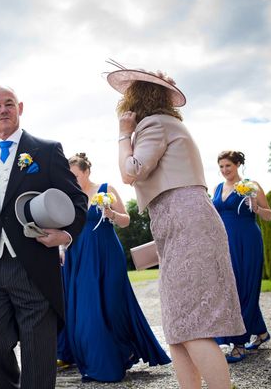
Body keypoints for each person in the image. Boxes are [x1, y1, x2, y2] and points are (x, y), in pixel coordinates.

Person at [107, 61, 245, 389]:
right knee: (178, 328)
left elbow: (131, 170)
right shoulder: (167, 124)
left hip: (185, 220)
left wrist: (124, 134)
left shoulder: (155, 124)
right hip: (178, 221)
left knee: (193, 326)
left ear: (137, 101)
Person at [0, 85, 87, 389]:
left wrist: (65, 235)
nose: (2, 110)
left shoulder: (46, 151)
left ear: (20, 108)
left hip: (34, 263)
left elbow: (77, 201)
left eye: (8, 104)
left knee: (37, 352)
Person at [57, 153, 171, 382]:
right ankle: (97, 363)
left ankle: (123, 349)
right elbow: (63, 227)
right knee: (86, 310)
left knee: (112, 305)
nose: (71, 179)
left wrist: (111, 213)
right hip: (79, 256)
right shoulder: (68, 196)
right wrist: (61, 248)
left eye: (75, 175)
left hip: (106, 252)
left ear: (86, 171)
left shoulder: (106, 189)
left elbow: (126, 220)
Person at [213, 150, 271, 362]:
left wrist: (256, 207)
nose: (224, 170)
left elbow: (268, 215)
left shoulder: (251, 185)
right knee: (230, 288)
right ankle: (261, 332)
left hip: (247, 241)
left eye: (228, 166)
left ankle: (239, 344)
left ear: (238, 164)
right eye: (221, 167)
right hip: (224, 244)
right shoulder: (218, 188)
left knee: (243, 288)